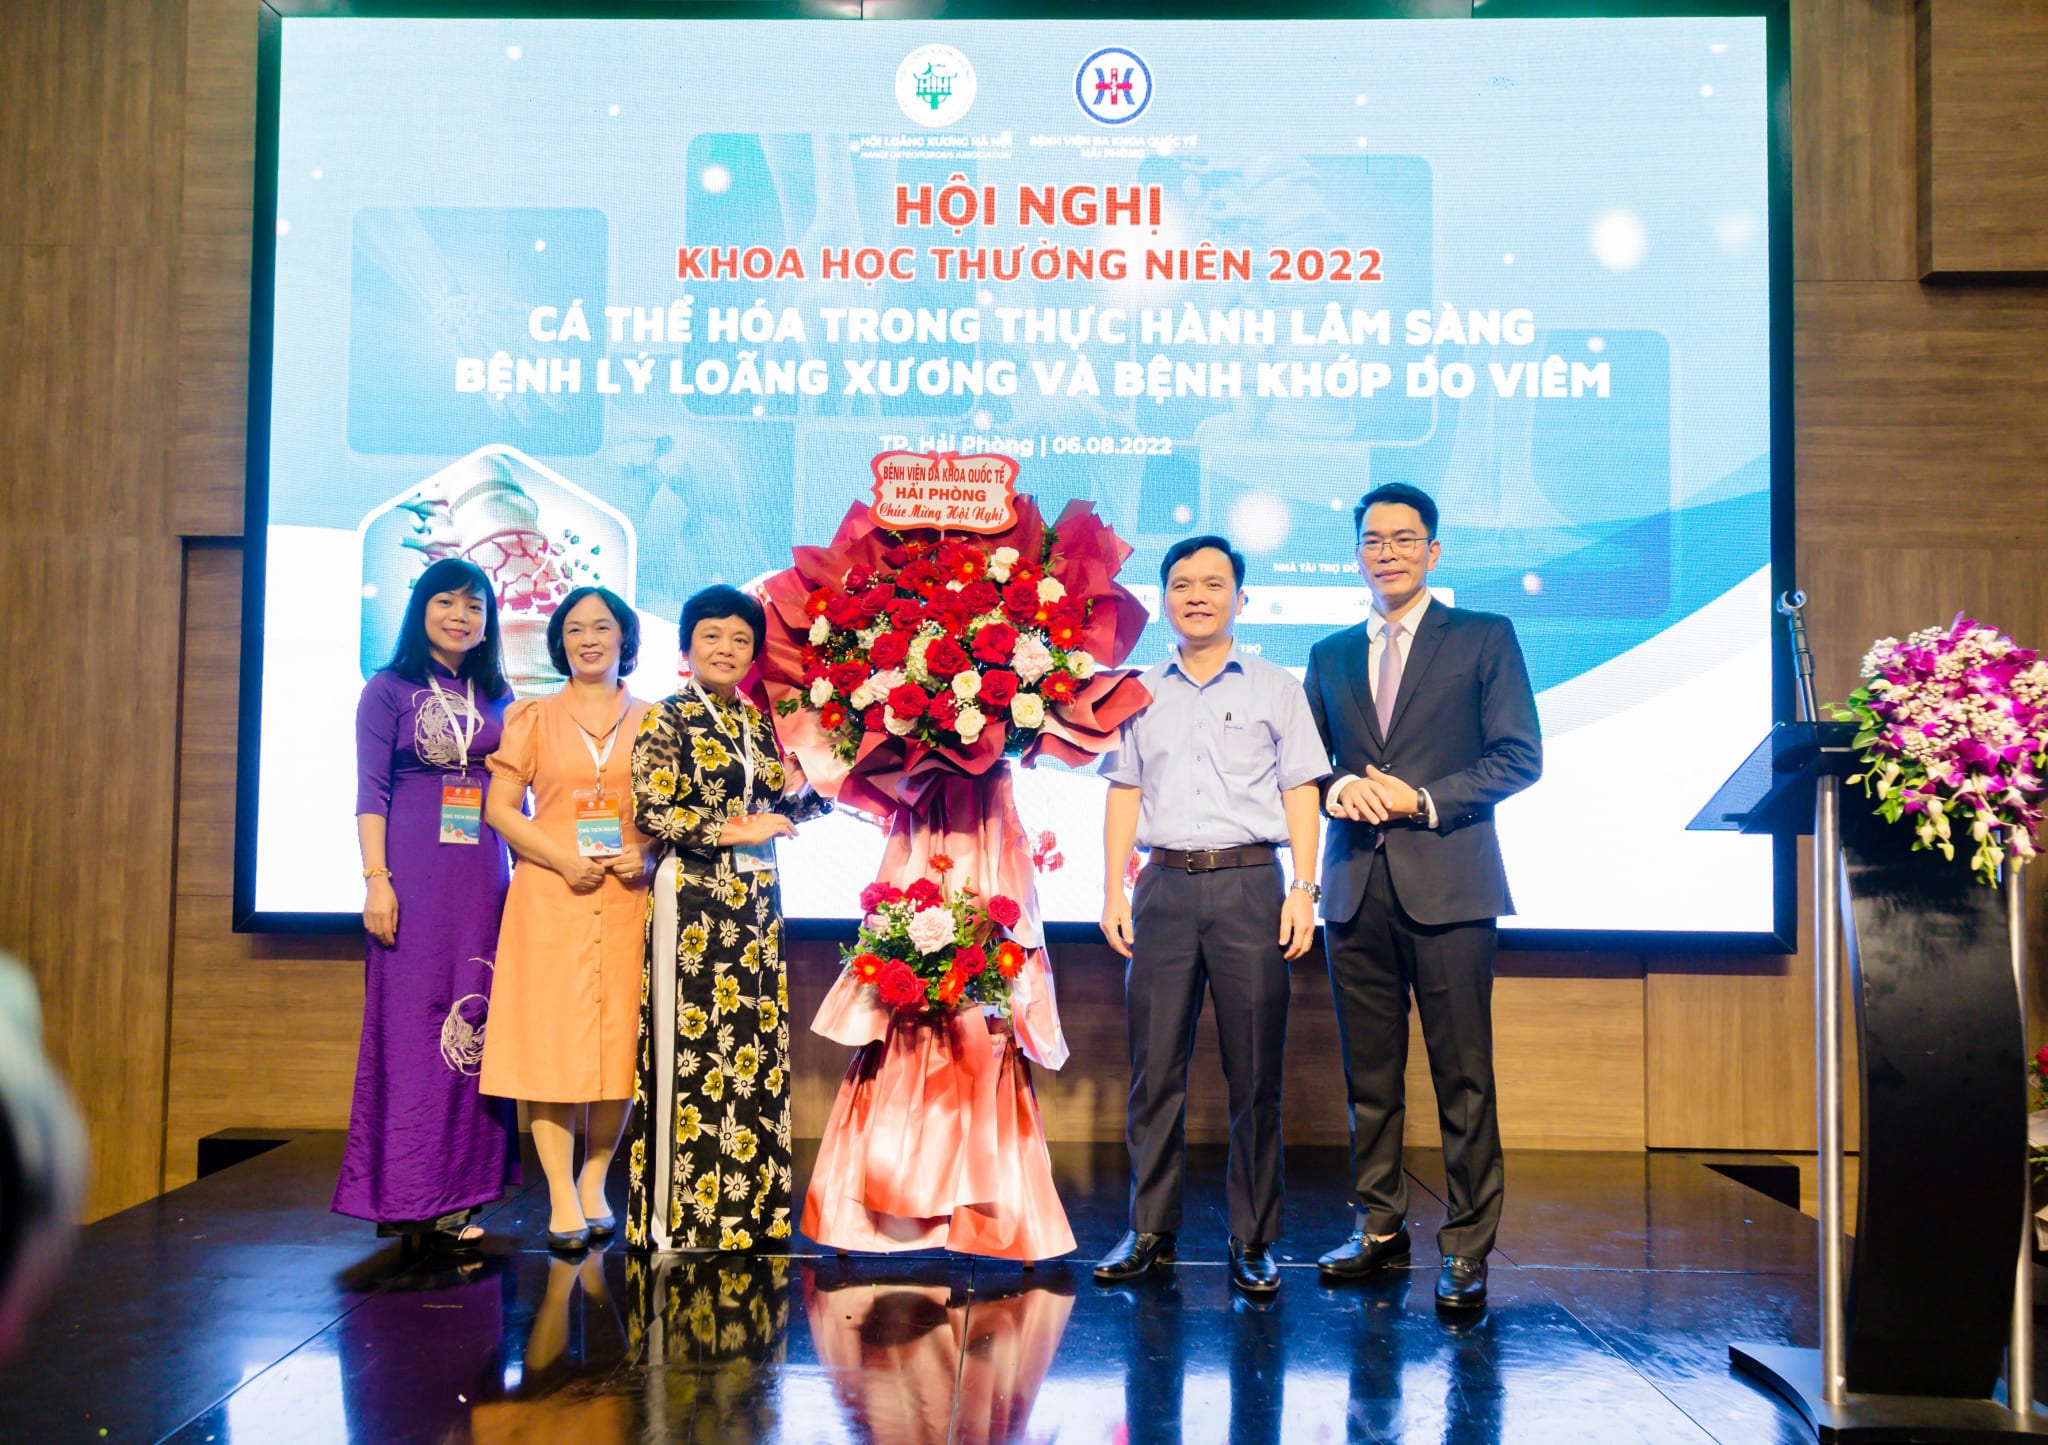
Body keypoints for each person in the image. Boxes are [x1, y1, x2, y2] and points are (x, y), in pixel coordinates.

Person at [1304, 482, 1542, 1310]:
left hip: (1451, 884)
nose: (1389, 553)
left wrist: (1423, 799)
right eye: (1374, 541)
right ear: (1357, 555)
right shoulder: (1330, 653)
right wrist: (1340, 789)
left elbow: (1518, 755)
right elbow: (1308, 764)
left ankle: (1468, 1245)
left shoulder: (1484, 636)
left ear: (1433, 551)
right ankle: (1378, 1224)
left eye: (1405, 539)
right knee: (1369, 1078)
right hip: (1354, 889)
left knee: (1462, 1076)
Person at [1094, 535, 1328, 1296]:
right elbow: (1124, 789)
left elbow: (1301, 788)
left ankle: (1253, 1237)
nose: (1197, 595)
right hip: (1163, 888)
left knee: (1254, 1073)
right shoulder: (1137, 691)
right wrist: (1112, 888)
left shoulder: (1275, 687)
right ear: (1165, 598)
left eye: (1214, 583)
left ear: (1240, 598)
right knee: (1153, 1070)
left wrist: (1304, 888)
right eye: (1183, 584)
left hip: (1250, 886)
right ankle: (1150, 1229)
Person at [626, 584, 829, 1252]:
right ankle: (680, 1220)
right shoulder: (668, 716)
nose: (726, 648)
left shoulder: (758, 722)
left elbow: (778, 809)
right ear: (687, 646)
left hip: (756, 903)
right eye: (711, 635)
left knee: (751, 1049)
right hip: (693, 901)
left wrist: (826, 781)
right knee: (694, 1053)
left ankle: (747, 1212)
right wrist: (738, 829)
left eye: (741, 639)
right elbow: (654, 810)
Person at [337, 556, 521, 1252]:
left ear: (488, 622)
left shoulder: (499, 695)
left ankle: (459, 1195)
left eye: (474, 606)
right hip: (412, 876)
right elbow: (370, 794)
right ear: (421, 609)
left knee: (475, 1025)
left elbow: (520, 793)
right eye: (446, 602)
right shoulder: (387, 690)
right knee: (411, 1028)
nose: (460, 616)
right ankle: (404, 1193)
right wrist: (376, 879)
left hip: (482, 880)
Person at [479, 587, 653, 1254]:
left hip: (627, 897)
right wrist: (560, 860)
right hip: (550, 896)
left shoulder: (655, 720)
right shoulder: (533, 717)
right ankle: (557, 1191)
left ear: (623, 637)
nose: (588, 639)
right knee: (548, 1049)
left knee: (619, 1045)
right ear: (559, 642)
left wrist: (648, 850)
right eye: (575, 628)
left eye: (601, 627)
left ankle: (594, 1178)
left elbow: (673, 810)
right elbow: (500, 809)